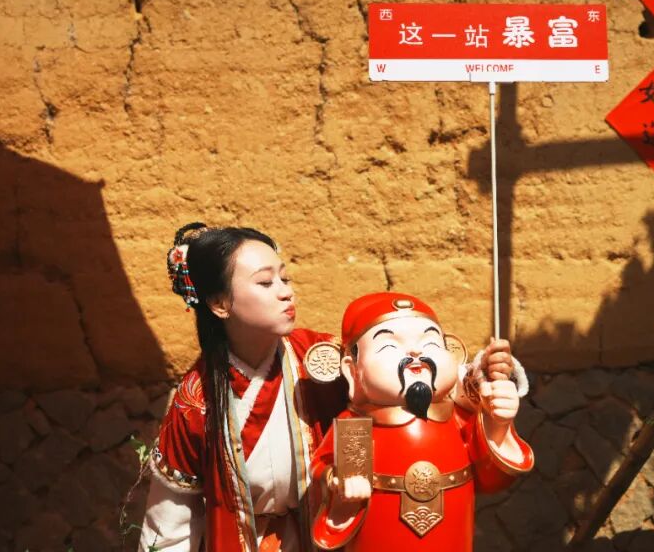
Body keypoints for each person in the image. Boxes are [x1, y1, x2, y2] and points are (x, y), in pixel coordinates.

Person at [140, 223, 520, 552]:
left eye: (285, 279)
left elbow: (404, 379)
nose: (286, 292)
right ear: (220, 304)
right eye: (266, 283)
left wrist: (481, 380)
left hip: (323, 537)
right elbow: (171, 520)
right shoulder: (197, 401)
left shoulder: (317, 357)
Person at [308, 292, 534, 551]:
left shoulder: (457, 418)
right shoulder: (356, 426)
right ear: (352, 370)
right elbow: (321, 466)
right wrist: (338, 482)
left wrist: (497, 424)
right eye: (389, 346)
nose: (415, 352)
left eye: (431, 343)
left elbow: (491, 477)